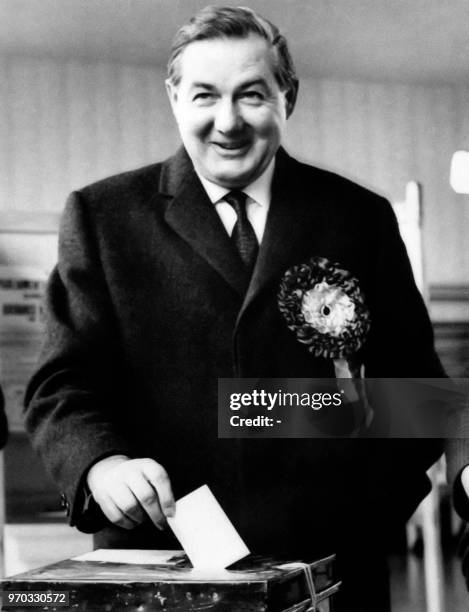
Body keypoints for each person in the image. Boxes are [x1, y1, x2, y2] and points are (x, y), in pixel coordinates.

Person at [24, 6, 469, 611]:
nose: (227, 121)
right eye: (205, 95)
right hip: (162, 568)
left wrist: (368, 504)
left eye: (252, 95)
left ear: (288, 97)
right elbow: (62, 385)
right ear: (174, 97)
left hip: (334, 567)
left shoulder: (358, 217)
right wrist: (102, 465)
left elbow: (416, 390)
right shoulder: (103, 216)